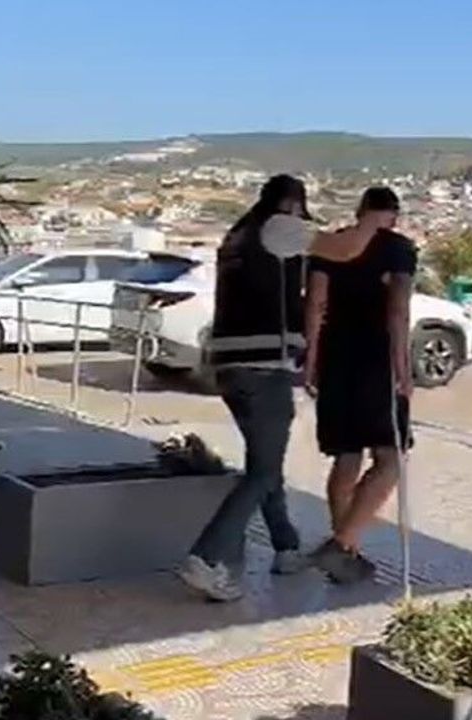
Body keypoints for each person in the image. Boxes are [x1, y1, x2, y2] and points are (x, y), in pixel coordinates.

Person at [179, 175, 314, 602]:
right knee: (264, 471)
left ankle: (286, 547)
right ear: (290, 204)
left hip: (230, 366)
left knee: (265, 459)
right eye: (299, 208)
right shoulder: (279, 228)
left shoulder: (238, 234)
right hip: (264, 366)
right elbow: (340, 248)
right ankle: (205, 558)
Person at [304, 187, 417, 584]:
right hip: (376, 360)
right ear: (394, 215)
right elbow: (398, 310)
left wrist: (312, 360)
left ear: (360, 210)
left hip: (336, 358)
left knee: (346, 456)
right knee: (391, 458)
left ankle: (346, 554)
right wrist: (403, 368)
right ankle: (342, 543)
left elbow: (315, 303)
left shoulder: (331, 245)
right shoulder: (398, 249)